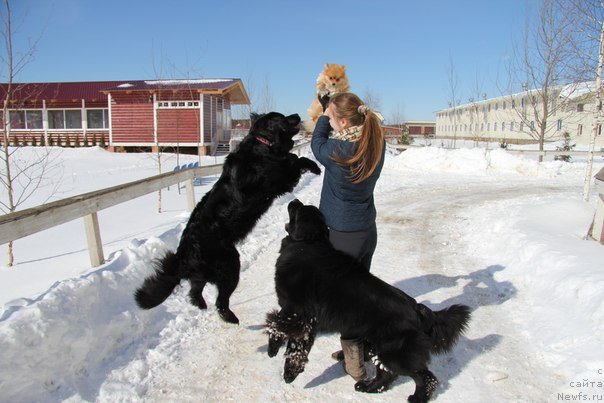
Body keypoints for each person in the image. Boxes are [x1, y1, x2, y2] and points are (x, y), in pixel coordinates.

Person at [310, 92, 385, 382]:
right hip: (367, 232)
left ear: (341, 121)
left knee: (346, 303)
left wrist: (321, 113)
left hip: (343, 237)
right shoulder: (376, 143)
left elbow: (317, 143)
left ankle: (355, 364)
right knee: (361, 293)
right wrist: (332, 110)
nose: (329, 120)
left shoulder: (337, 151)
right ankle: (360, 347)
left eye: (332, 117)